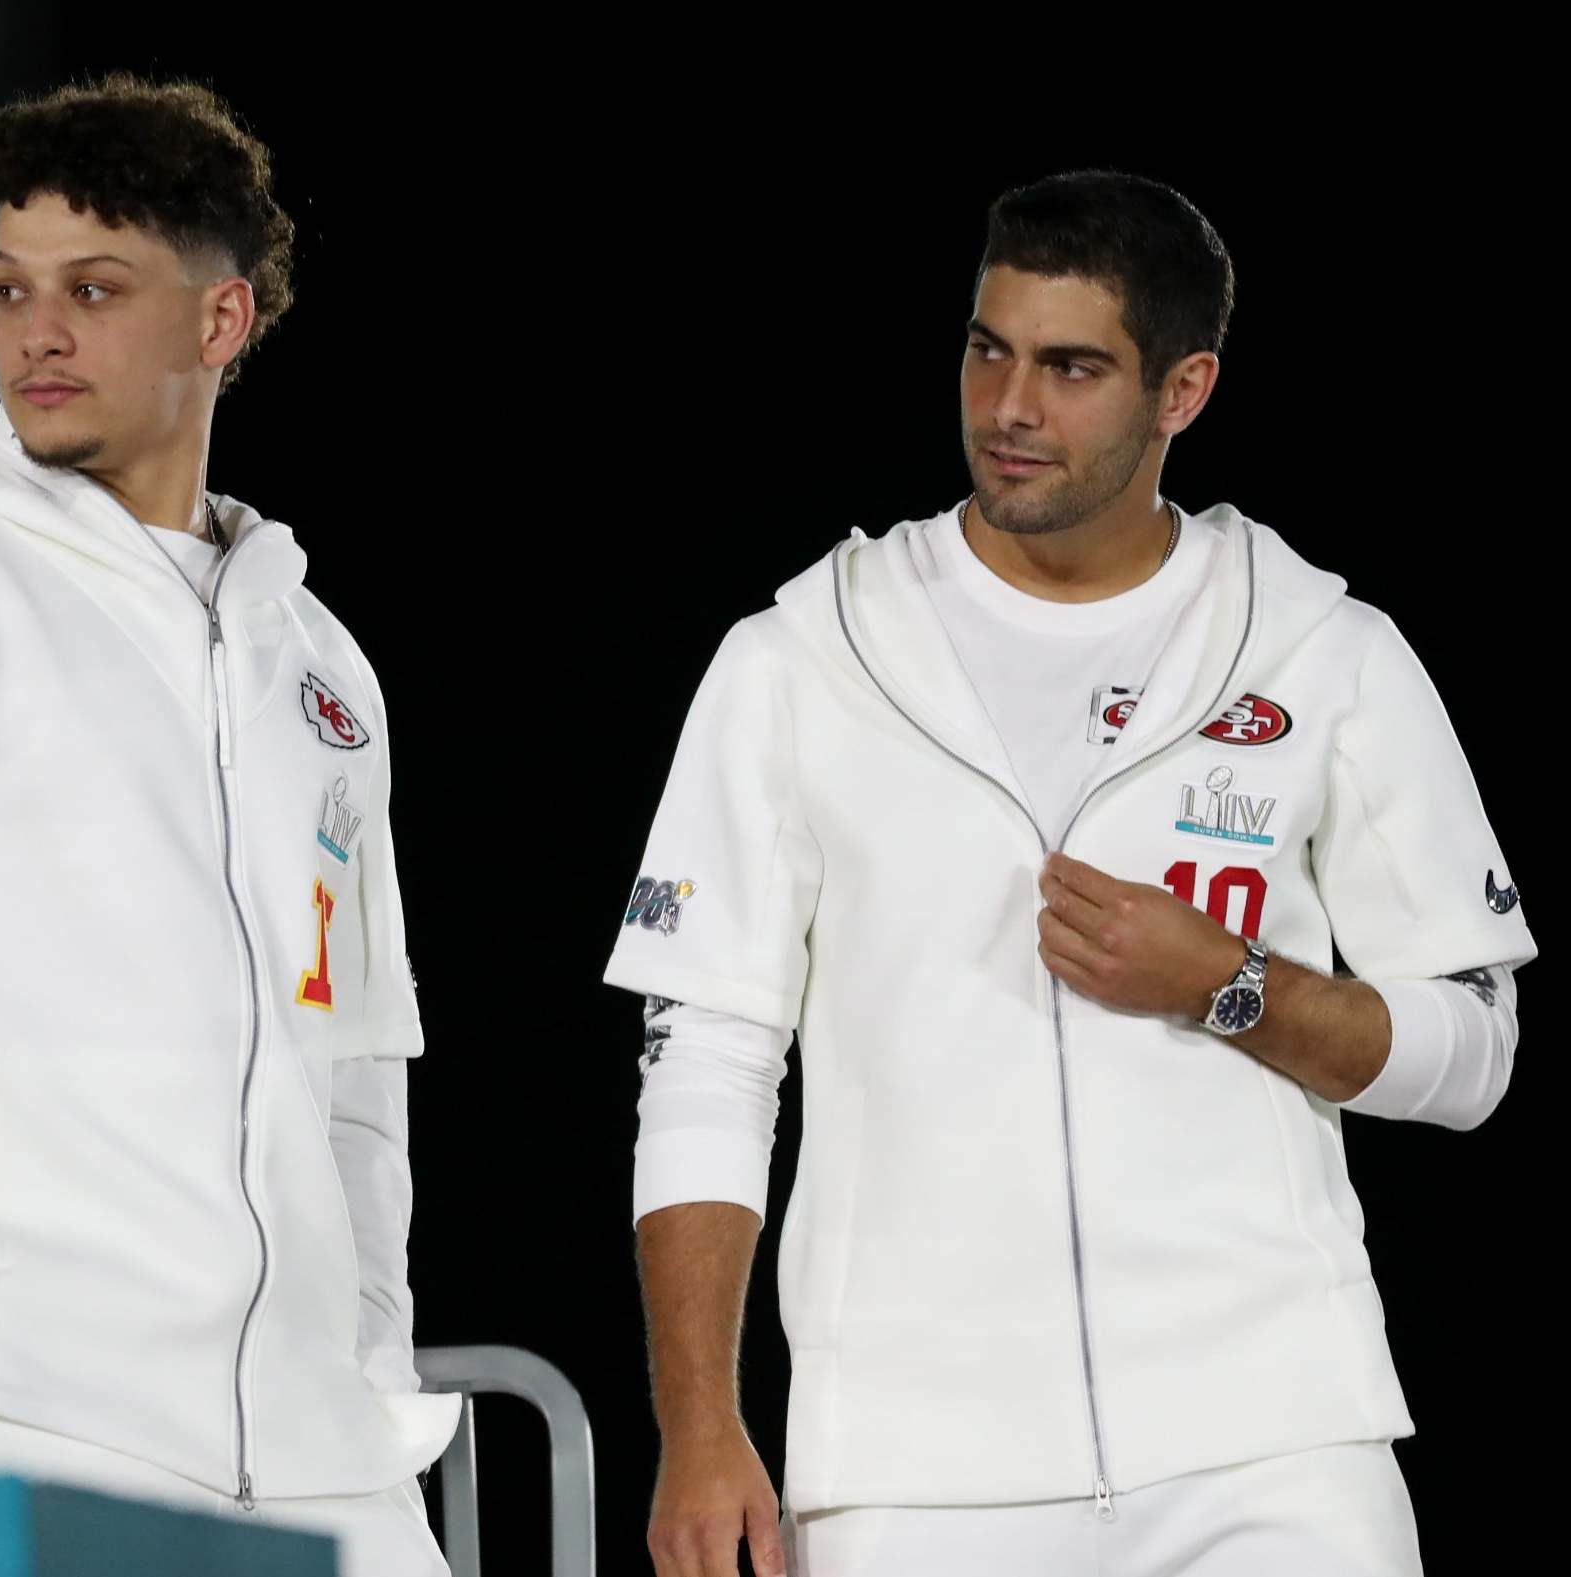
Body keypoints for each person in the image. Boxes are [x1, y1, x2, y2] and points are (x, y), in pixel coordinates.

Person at [607, 170, 1533, 1577]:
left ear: (1186, 389)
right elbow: (707, 1059)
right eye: (989, 349)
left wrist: (1230, 986)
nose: (1011, 407)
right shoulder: (802, 658)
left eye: (1073, 366)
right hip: (917, 1475)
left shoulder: (1319, 648)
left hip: (1271, 1447)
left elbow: (1470, 1053)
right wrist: (700, 1424)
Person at [0, 75, 457, 1577]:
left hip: (322, 1462)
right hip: (19, 1431)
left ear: (221, 323)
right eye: (11, 289)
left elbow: (354, 1051)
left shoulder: (318, 663)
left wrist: (365, 1360)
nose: (39, 332)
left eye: (94, 290)